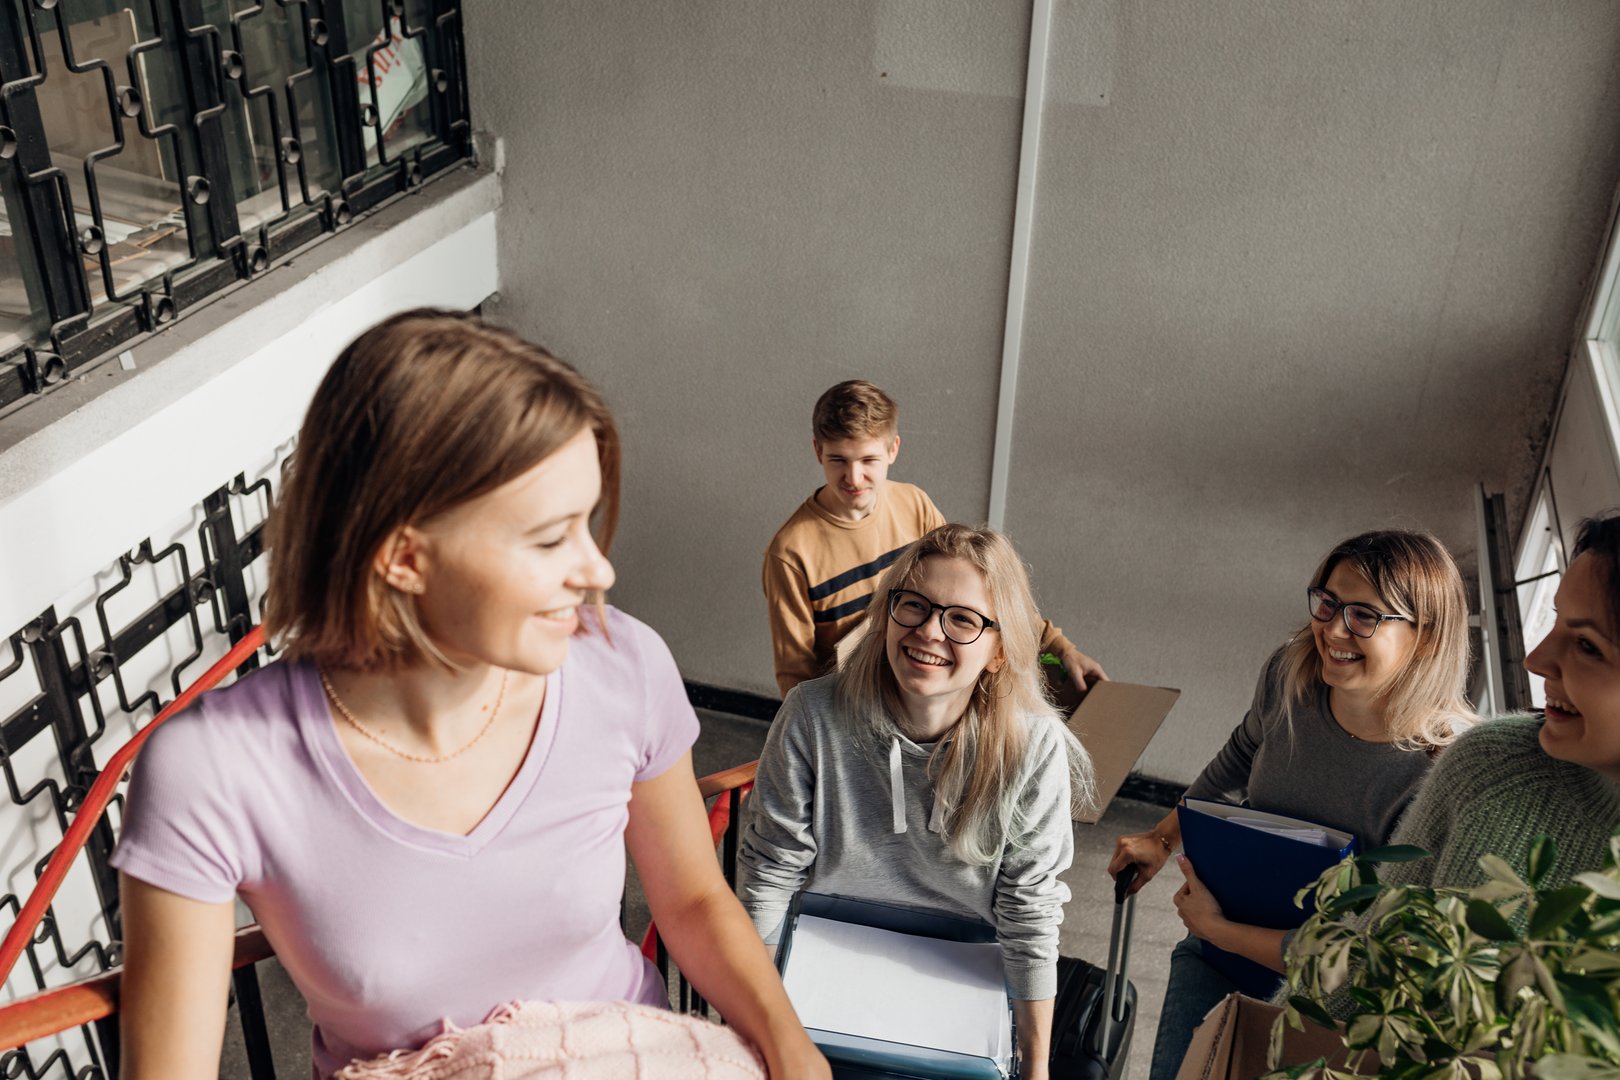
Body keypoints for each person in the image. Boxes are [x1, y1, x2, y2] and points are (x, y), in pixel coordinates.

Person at [110, 311, 828, 1080]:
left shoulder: (622, 665)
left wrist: (793, 1052)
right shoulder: (214, 769)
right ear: (404, 557)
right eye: (551, 539)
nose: (597, 571)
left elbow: (689, 899)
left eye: (588, 525)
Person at [1107, 530, 1474, 1080]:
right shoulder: (1292, 673)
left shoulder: (1440, 769)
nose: (1330, 629)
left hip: (1328, 1007)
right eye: (1327, 602)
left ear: (1425, 637)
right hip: (1215, 959)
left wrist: (1217, 928)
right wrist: (1162, 839)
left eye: (1363, 616)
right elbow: (1237, 759)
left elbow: (1374, 955)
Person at [738, 523, 1096, 1080]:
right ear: (888, 614)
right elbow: (770, 873)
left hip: (963, 973)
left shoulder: (1034, 747)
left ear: (999, 651)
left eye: (962, 619)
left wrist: (1036, 1069)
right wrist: (753, 1031)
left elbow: (1031, 911)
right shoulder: (813, 713)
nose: (929, 631)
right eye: (915, 606)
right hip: (823, 961)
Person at [761, 379, 1105, 696]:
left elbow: (982, 589)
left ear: (893, 450)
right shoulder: (790, 552)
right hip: (853, 699)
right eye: (838, 460)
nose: (854, 476)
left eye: (869, 459)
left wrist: (1062, 649)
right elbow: (796, 672)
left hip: (928, 680)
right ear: (818, 451)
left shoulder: (913, 504)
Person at [1381, 512, 1620, 891]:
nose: (1535, 660)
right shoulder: (1496, 763)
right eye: (1556, 620)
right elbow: (1365, 941)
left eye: (1587, 646)